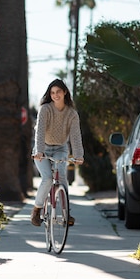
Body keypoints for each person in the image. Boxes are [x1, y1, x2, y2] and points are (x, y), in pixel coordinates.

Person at [31, 78, 84, 227]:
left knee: (62, 178)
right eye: (52, 93)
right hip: (43, 150)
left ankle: (66, 213)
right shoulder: (45, 109)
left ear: (65, 92)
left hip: (61, 149)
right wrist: (39, 151)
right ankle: (36, 210)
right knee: (47, 179)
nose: (55, 95)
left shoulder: (72, 114)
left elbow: (75, 136)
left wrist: (79, 155)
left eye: (58, 92)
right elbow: (40, 132)